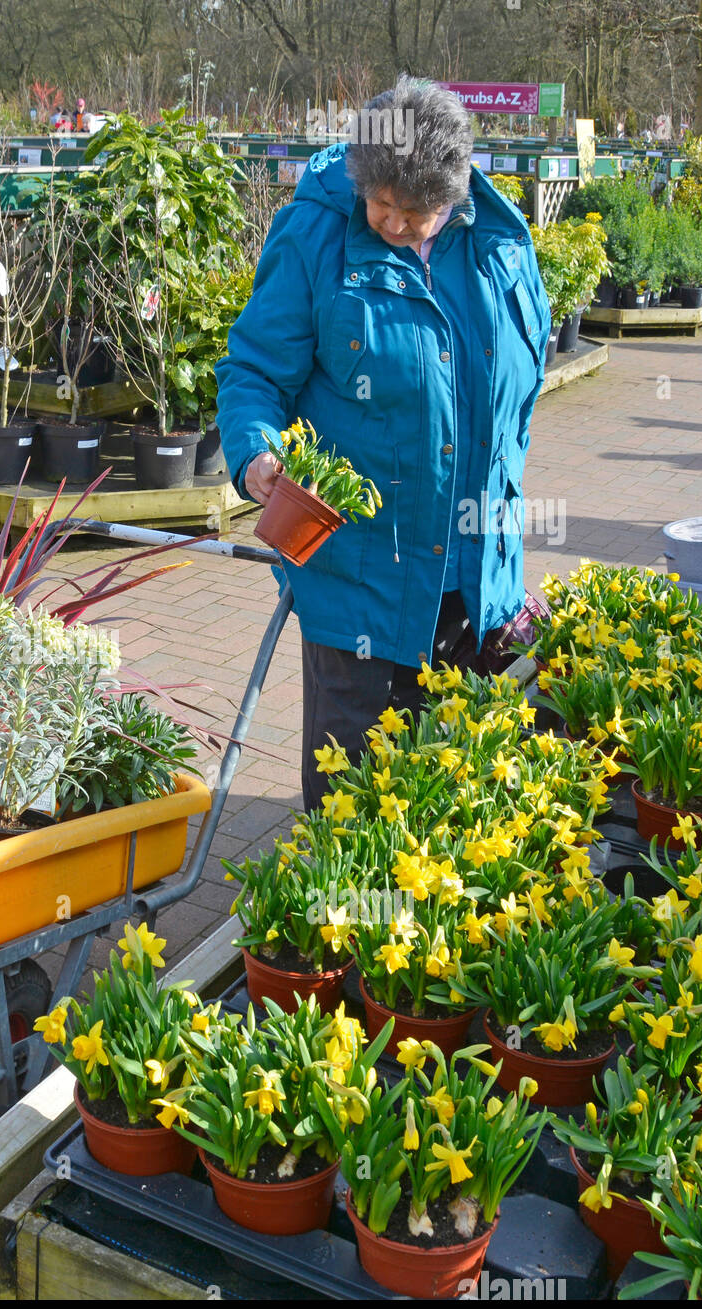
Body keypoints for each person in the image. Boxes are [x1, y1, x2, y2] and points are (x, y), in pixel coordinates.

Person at [216, 76, 551, 813]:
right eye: (381, 205)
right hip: (361, 577)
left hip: (473, 579)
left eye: (416, 211)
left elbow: (520, 398)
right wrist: (256, 454)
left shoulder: (499, 245)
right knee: (352, 801)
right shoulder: (315, 237)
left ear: (454, 195)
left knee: (460, 798)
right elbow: (253, 372)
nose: (394, 223)